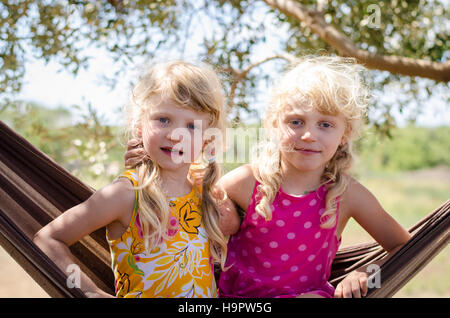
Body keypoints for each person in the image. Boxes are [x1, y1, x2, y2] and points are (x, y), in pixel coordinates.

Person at [124, 56, 411, 298]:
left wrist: (364, 272)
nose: (309, 135)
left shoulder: (347, 195)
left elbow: (403, 246)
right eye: (295, 122)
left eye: (325, 124)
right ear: (274, 124)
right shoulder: (248, 181)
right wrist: (148, 165)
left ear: (344, 133)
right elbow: (180, 208)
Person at [33, 60, 240, 298]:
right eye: (163, 119)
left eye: (192, 126)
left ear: (207, 139)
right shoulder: (126, 194)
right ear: (140, 125)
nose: (175, 135)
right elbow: (48, 239)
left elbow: (235, 225)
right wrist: (91, 292)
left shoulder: (202, 190)